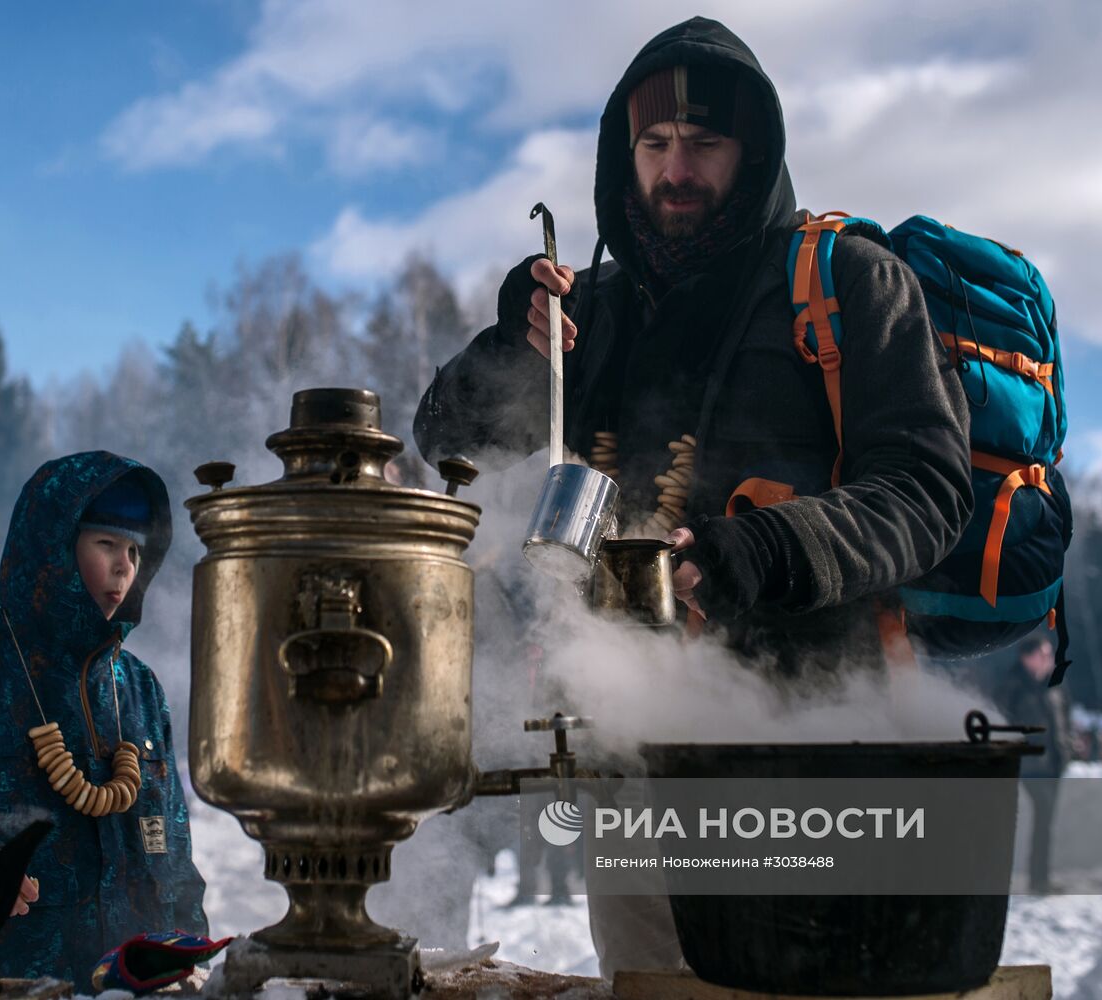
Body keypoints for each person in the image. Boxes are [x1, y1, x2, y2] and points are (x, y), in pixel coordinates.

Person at [413, 16, 972, 974]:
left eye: (704, 144)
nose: (676, 169)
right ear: (621, 155)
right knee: (650, 985)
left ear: (752, 153)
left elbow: (926, 490)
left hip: (807, 743)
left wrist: (758, 550)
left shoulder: (848, 283)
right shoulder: (594, 311)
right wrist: (514, 341)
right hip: (625, 748)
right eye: (655, 144)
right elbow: (445, 439)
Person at [0, 452, 207, 991]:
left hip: (138, 987)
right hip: (12, 981)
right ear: (55, 549)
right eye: (106, 543)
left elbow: (172, 847)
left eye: (134, 549)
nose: (125, 565)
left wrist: (194, 950)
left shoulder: (140, 688)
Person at [988, 634, 1074, 894]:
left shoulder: (1055, 684)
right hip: (1027, 764)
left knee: (1045, 822)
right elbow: (999, 722)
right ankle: (1036, 879)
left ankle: (1041, 878)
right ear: (1027, 658)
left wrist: (1066, 747)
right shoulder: (1012, 686)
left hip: (1053, 763)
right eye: (1044, 654)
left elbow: (1064, 717)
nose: (1049, 659)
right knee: (1038, 817)